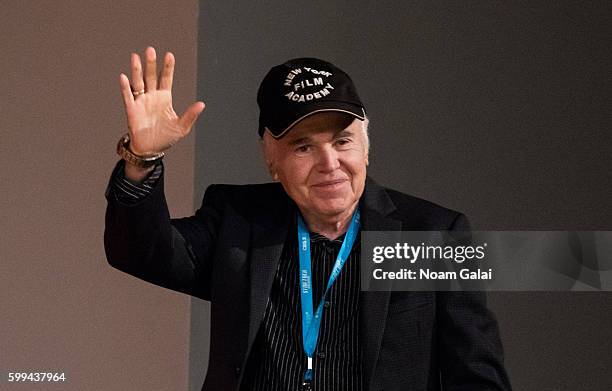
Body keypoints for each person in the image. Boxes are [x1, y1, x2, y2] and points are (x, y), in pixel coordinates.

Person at [104, 47, 512, 391]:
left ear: (366, 149)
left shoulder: (429, 237)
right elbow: (142, 253)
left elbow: (475, 377)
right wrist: (143, 160)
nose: (329, 164)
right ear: (272, 160)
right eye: (303, 147)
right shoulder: (240, 224)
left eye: (342, 141)